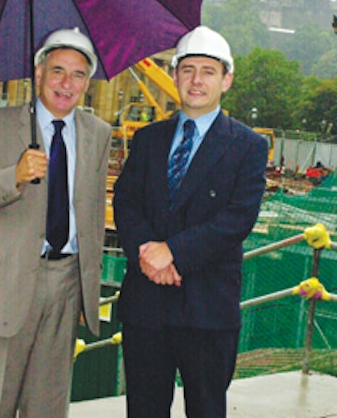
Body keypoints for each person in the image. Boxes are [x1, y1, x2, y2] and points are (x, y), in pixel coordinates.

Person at [0, 28, 111, 417]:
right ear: (38, 73)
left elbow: (90, 216)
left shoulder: (98, 134)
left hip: (66, 286)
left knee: (48, 406)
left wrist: (85, 288)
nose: (66, 83)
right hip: (7, 285)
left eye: (77, 74)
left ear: (87, 83)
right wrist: (14, 176)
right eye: (58, 70)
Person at [113, 26, 268, 418]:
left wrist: (174, 254)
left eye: (208, 71)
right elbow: (127, 203)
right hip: (146, 307)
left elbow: (237, 218)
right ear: (176, 74)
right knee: (144, 410)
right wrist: (149, 253)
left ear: (226, 80)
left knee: (206, 409)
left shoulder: (248, 146)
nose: (196, 80)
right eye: (187, 69)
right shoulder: (148, 139)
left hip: (207, 309)